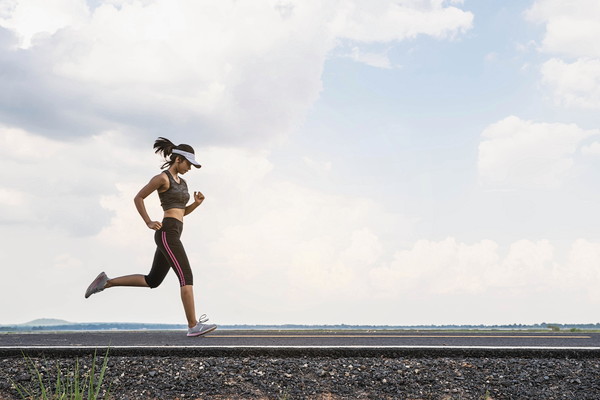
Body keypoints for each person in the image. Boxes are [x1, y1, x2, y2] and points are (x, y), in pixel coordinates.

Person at [85, 137, 217, 337]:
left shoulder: (184, 182)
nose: (190, 168)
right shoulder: (162, 179)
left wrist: (196, 204)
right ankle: (193, 325)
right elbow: (138, 197)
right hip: (167, 233)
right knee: (186, 276)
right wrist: (147, 221)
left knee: (153, 280)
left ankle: (107, 282)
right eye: (189, 164)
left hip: (176, 230)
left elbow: (181, 212)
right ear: (178, 160)